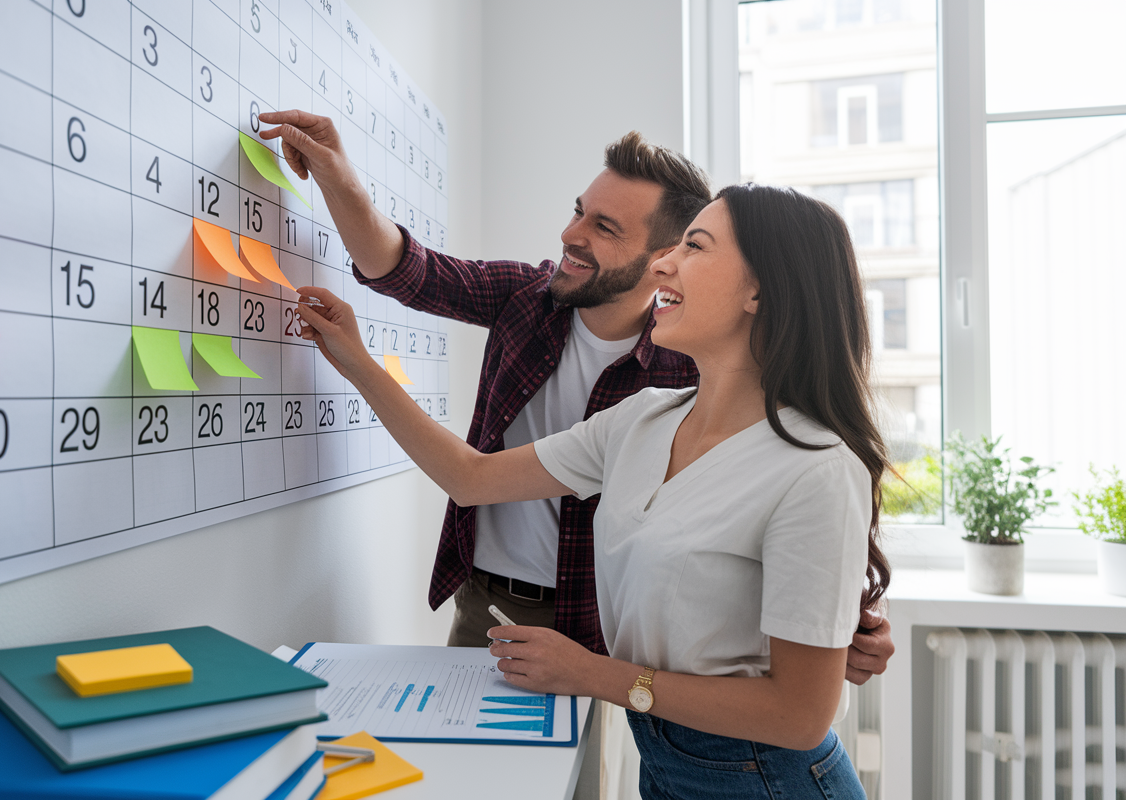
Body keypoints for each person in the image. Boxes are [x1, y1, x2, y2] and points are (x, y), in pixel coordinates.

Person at [258, 110, 893, 686]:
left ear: (661, 260)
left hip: (604, 621)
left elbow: (773, 502)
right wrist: (339, 177)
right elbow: (402, 267)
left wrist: (845, 623)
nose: (571, 232)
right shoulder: (529, 303)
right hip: (488, 601)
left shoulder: (691, 375)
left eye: (604, 226)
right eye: (578, 210)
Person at [292, 183, 882, 797]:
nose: (664, 263)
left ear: (761, 291)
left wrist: (596, 674)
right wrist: (355, 360)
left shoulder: (817, 467)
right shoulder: (643, 418)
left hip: (769, 778)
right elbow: (470, 478)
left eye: (695, 247)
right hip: (665, 758)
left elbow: (799, 716)